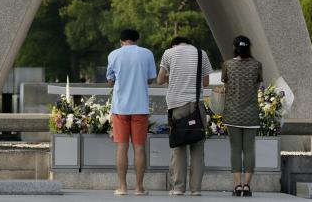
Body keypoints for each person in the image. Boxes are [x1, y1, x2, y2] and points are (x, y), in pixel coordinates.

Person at [157, 36, 212, 196]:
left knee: (179, 147)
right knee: (198, 147)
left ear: (174, 44)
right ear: (190, 43)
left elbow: (160, 79)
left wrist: (171, 76)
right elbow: (206, 82)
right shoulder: (202, 53)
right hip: (197, 105)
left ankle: (178, 188)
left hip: (177, 106)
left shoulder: (169, 53)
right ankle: (196, 189)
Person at [106, 29, 157, 196]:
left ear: (121, 41)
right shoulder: (147, 54)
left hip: (120, 107)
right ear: (138, 39)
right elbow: (150, 79)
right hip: (140, 107)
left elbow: (110, 81)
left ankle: (122, 187)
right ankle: (139, 187)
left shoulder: (113, 55)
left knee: (122, 147)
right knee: (139, 148)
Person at [221, 35, 263, 197]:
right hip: (251, 114)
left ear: (235, 48)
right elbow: (257, 87)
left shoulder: (227, 65)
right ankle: (247, 186)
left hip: (232, 113)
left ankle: (237, 185)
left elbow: (226, 85)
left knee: (236, 149)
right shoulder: (257, 65)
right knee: (249, 149)